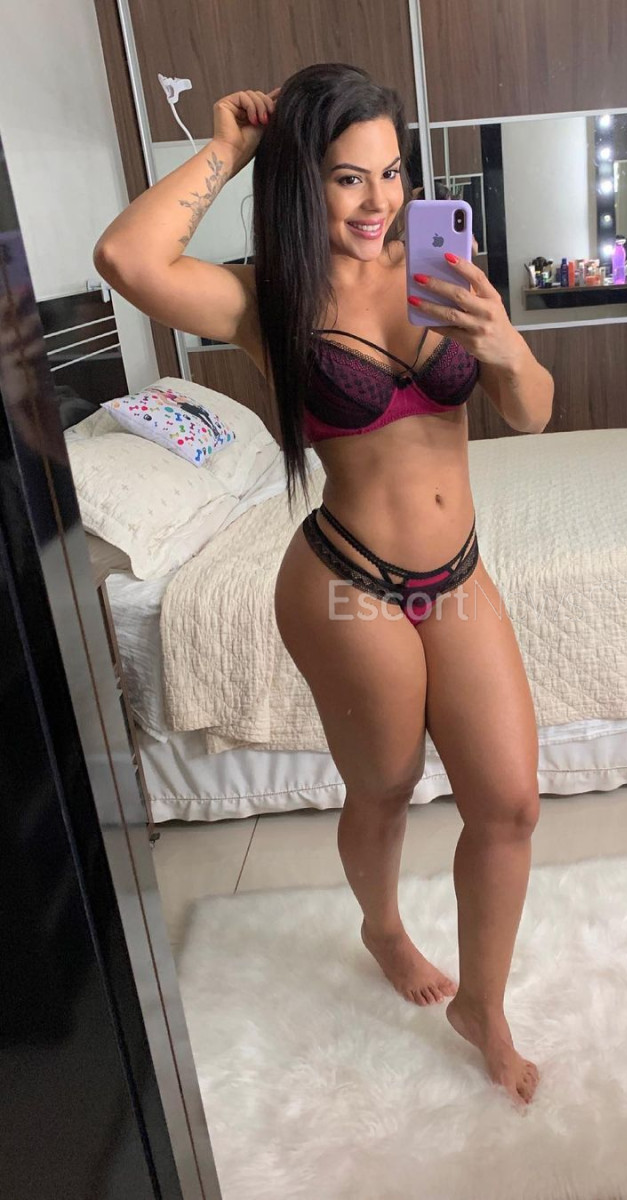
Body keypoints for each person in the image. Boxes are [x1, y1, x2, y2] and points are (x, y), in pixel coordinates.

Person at [93, 62, 553, 1108]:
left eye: (392, 173)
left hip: (459, 571)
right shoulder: (268, 298)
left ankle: (483, 1005)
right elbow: (125, 257)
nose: (377, 202)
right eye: (348, 178)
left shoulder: (443, 270)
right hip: (347, 579)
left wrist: (502, 341)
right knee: (385, 785)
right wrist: (226, 149)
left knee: (510, 804)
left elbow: (532, 413)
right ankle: (382, 927)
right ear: (303, 180)